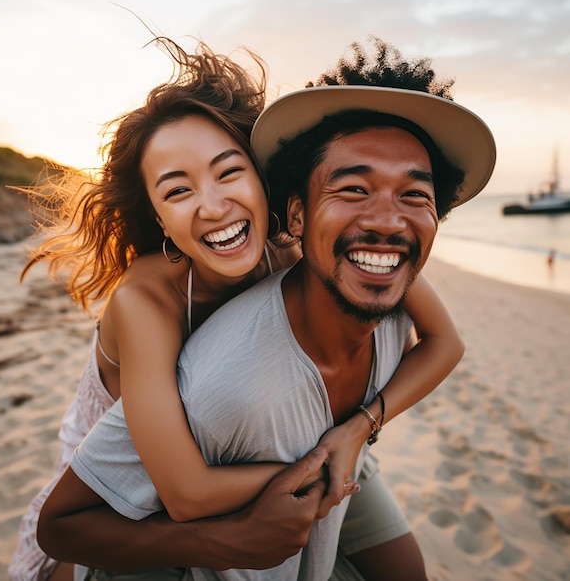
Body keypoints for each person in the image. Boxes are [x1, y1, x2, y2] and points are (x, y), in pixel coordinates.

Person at [35, 39, 494, 580]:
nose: (213, 204)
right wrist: (322, 467)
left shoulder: (301, 245)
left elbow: (443, 337)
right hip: (146, 465)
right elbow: (183, 492)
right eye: (178, 191)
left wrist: (354, 431)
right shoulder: (147, 302)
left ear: (265, 182)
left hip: (291, 441)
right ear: (159, 218)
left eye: (229, 172)